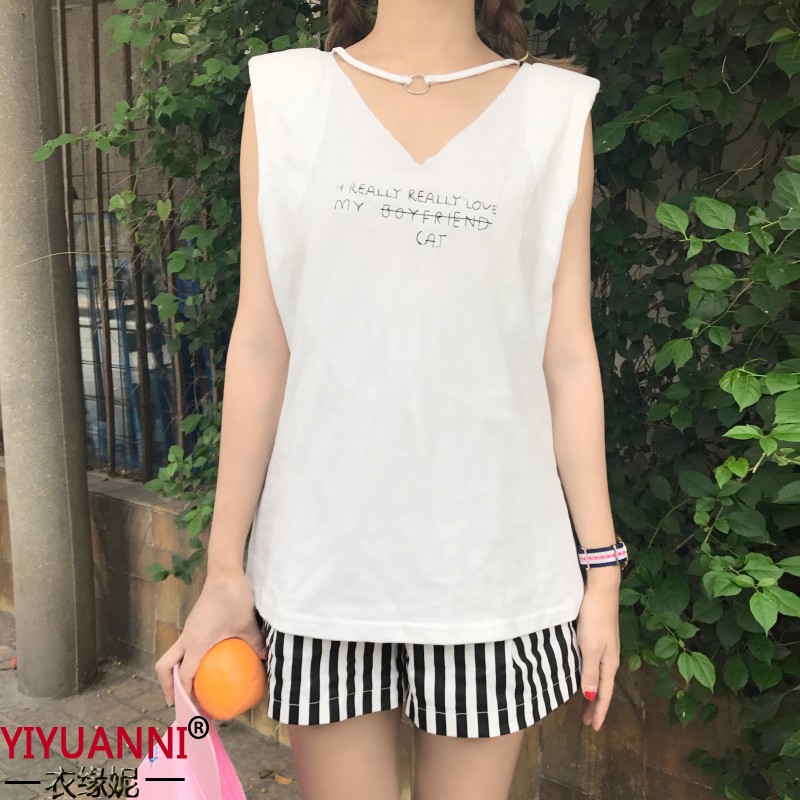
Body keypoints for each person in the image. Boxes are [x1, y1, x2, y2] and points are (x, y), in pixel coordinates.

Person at [156, 0, 628, 797]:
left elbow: (568, 357)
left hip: (492, 578)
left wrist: (602, 572)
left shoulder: (553, 111)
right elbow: (263, 342)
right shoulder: (287, 97)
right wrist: (225, 568)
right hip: (321, 575)